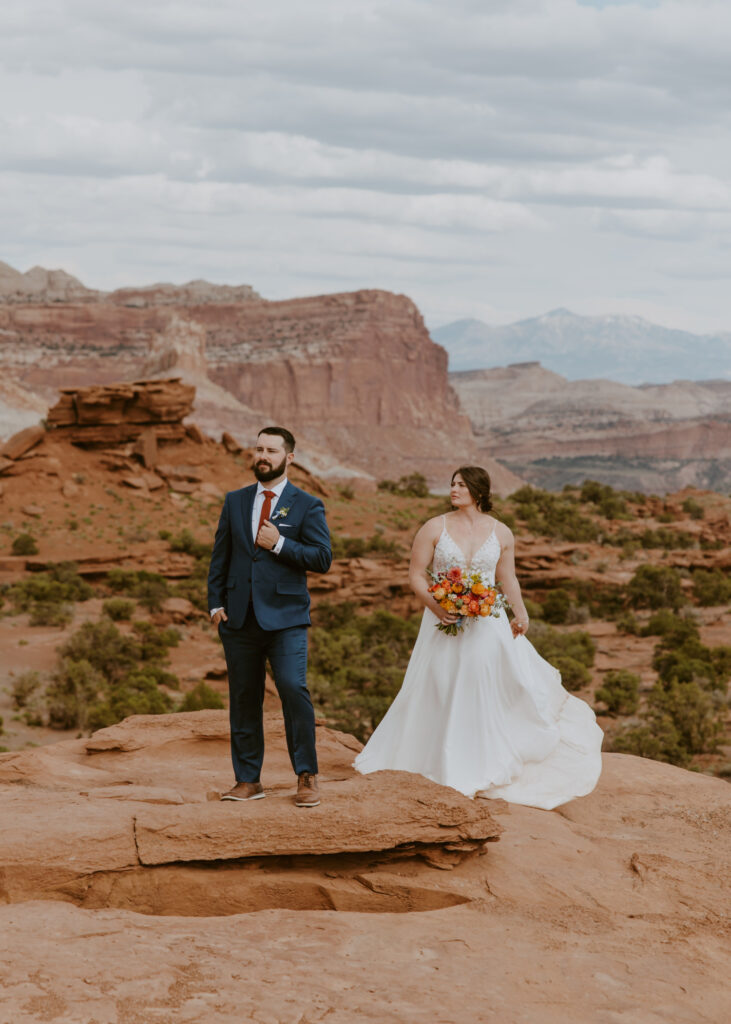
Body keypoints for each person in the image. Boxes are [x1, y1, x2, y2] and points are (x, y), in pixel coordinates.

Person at [354, 466, 603, 810]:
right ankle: (439, 759)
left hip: (489, 622)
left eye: (461, 485)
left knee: (483, 684)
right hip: (442, 619)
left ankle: (484, 757)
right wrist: (437, 606)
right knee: (440, 683)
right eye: (452, 484)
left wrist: (521, 613)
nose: (453, 490)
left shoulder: (502, 532)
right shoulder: (433, 527)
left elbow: (508, 579)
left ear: (478, 491)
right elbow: (415, 574)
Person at [208, 426, 332, 807]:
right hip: (239, 619)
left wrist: (278, 543)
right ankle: (248, 780)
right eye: (259, 449)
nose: (263, 456)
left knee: (293, 690)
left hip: (287, 618)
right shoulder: (235, 500)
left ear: (289, 458)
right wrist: (215, 605)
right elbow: (221, 556)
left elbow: (321, 558)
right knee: (244, 698)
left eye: (272, 450)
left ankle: (306, 776)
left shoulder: (306, 504)